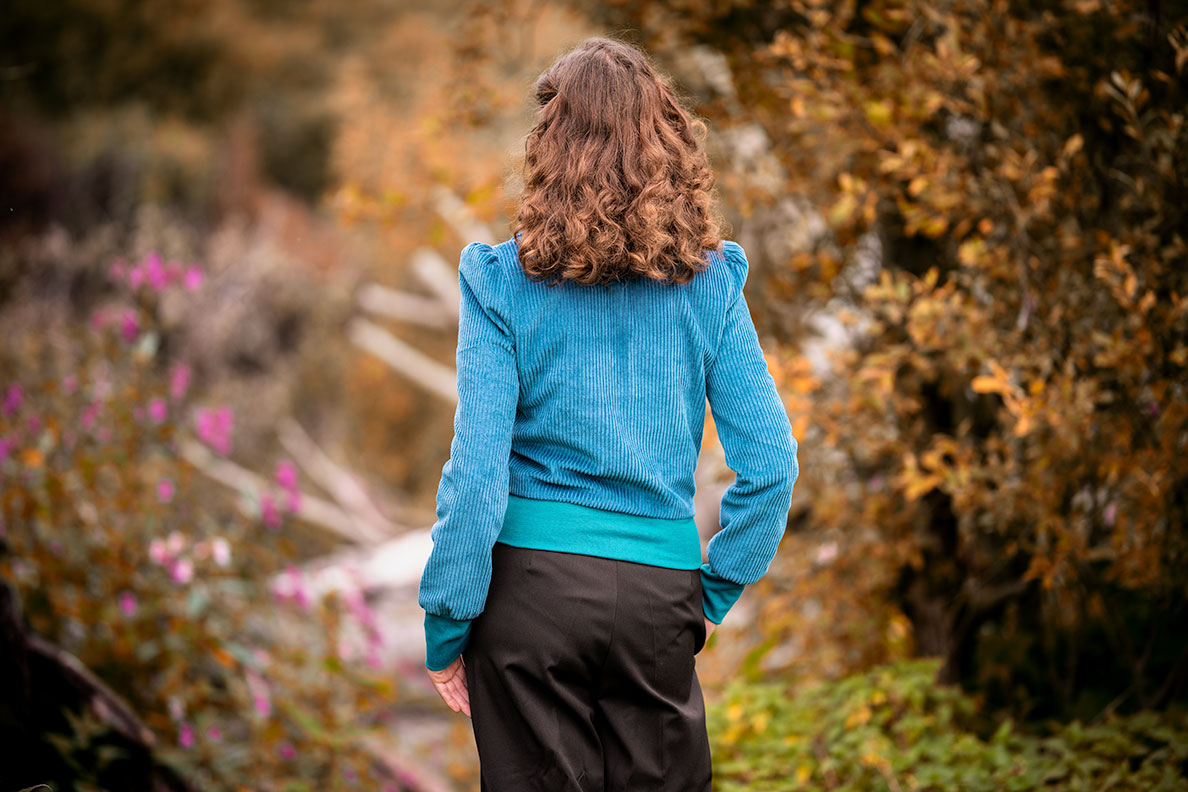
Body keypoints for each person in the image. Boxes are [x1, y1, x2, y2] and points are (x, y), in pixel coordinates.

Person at [417, 35, 799, 792]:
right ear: (666, 143)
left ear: (547, 146)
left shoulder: (500, 283)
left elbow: (479, 476)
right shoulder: (711, 283)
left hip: (528, 602)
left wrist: (446, 621)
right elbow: (773, 466)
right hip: (658, 601)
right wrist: (715, 590)